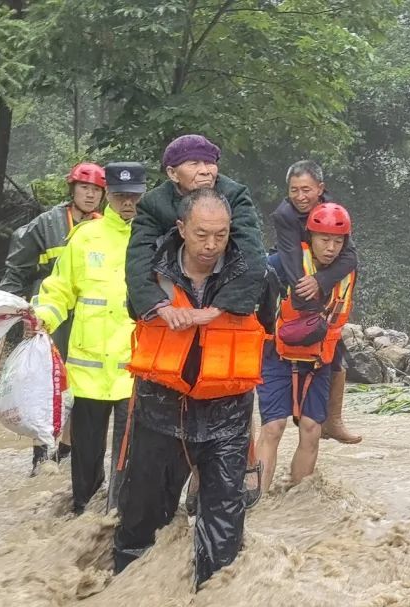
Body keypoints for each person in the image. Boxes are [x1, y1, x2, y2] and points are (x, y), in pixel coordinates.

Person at [115, 188, 266, 588]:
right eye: (201, 234)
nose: (211, 245)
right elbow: (135, 307)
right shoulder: (149, 273)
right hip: (160, 411)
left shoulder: (251, 276)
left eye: (221, 234)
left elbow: (265, 330)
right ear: (181, 228)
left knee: (223, 531)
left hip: (227, 416)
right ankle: (128, 588)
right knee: (142, 517)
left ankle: (210, 591)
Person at [126, 134, 266, 513]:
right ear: (172, 173)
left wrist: (218, 309)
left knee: (230, 402)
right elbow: (138, 262)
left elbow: (253, 258)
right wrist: (157, 305)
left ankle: (234, 472)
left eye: (210, 162)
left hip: (221, 324)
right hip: (172, 323)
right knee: (153, 460)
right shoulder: (154, 204)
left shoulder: (235, 196)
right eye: (194, 164)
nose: (205, 170)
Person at [30, 162, 143, 514]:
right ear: (108, 194)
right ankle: (82, 513)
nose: (128, 203)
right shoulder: (84, 238)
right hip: (89, 371)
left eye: (134, 197)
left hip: (133, 370)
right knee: (86, 455)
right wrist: (42, 317)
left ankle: (118, 516)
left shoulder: (151, 239)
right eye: (122, 195)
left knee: (129, 454)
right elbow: (59, 290)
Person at [1, 161, 106, 473]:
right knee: (46, 381)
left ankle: (66, 451)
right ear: (71, 190)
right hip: (51, 314)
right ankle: (40, 454)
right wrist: (16, 309)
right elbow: (16, 270)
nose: (90, 195)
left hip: (90, 317)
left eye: (96, 191)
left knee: (80, 383)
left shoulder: (107, 227)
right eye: (84, 188)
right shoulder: (46, 225)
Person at [256, 203, 356, 493]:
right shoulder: (281, 264)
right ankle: (257, 501)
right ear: (310, 237)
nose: (331, 248)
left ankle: (296, 501)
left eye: (338, 241)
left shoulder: (347, 271)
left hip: (318, 360)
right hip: (277, 354)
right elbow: (260, 306)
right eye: (324, 239)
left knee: (311, 429)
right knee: (273, 428)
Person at [269, 161, 361, 444]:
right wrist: (304, 290)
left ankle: (333, 420)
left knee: (336, 348)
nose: (300, 197)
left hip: (323, 275)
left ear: (320, 189)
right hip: (293, 272)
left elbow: (350, 257)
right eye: (294, 190)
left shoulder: (333, 212)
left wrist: (321, 282)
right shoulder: (284, 214)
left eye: (306, 190)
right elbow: (289, 256)